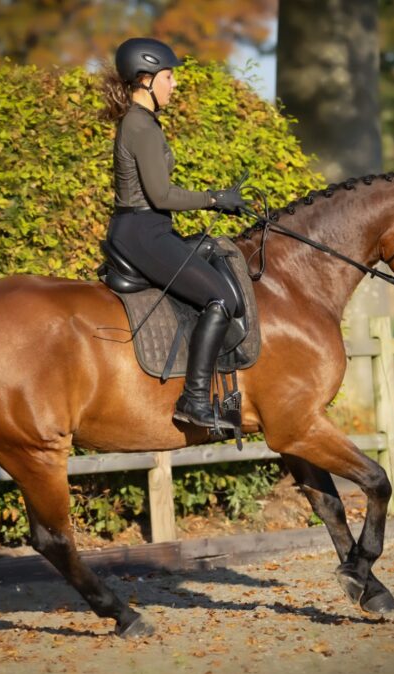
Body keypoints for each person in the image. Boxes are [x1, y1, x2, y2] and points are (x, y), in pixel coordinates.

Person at [101, 37, 246, 430]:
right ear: (145, 79)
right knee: (219, 298)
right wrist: (215, 199)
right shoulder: (140, 125)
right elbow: (161, 195)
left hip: (147, 227)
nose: (174, 84)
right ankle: (194, 400)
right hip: (142, 232)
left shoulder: (143, 122)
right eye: (168, 76)